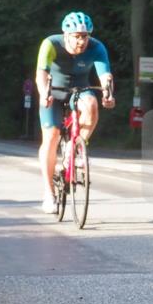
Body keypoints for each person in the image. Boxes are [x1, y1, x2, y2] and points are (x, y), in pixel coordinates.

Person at [36, 11, 115, 213]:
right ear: (66, 35)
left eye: (85, 36)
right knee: (51, 136)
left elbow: (105, 76)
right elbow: (41, 73)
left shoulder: (96, 47)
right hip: (54, 92)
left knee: (92, 105)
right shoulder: (51, 44)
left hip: (79, 89)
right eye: (77, 36)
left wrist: (108, 94)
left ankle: (74, 146)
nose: (81, 41)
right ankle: (49, 193)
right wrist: (44, 93)